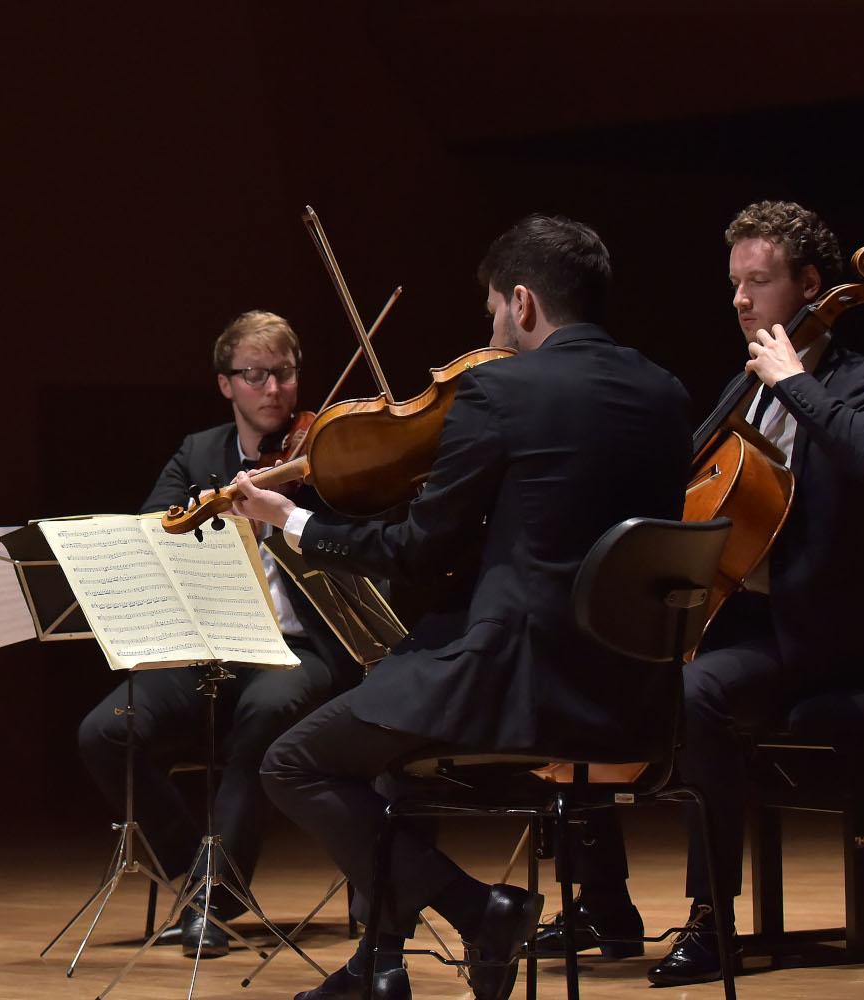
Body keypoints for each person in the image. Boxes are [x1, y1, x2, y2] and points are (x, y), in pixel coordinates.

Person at [232, 216, 692, 1000]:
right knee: (392, 716)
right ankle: (378, 967)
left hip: (517, 687)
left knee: (294, 762)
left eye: (492, 312)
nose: (491, 332)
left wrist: (293, 521)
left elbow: (417, 548)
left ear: (522, 301)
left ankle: (478, 910)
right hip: (636, 699)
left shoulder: (501, 390)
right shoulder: (666, 393)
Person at [528, 200, 864, 986]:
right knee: (571, 668)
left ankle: (712, 921)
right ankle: (604, 903)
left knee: (697, 692)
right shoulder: (745, 387)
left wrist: (794, 381)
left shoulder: (862, 380)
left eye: (758, 282)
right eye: (734, 282)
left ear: (811, 285)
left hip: (815, 634)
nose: (740, 299)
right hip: (737, 621)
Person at [76, 310, 362, 957]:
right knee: (105, 732)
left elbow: (364, 546)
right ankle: (198, 871)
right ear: (225, 384)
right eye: (255, 375)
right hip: (215, 649)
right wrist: (222, 521)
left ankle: (213, 897)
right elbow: (155, 530)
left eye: (284, 373)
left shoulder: (326, 456)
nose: (273, 389)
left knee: (265, 714)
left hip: (300, 650)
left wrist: (286, 516)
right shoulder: (199, 454)